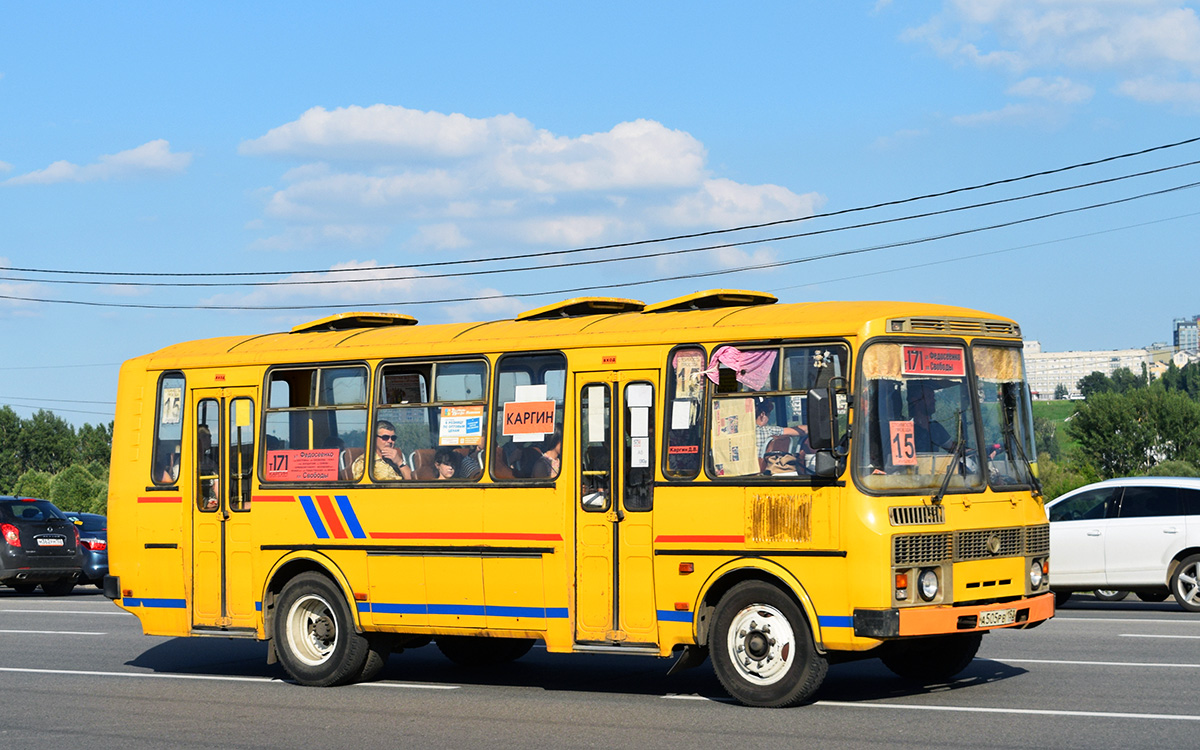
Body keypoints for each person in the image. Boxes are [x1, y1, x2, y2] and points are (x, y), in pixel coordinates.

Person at [907, 382, 954, 453]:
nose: (934, 400)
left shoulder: (935, 427)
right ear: (915, 401)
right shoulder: (907, 429)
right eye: (929, 397)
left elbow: (953, 448)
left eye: (933, 397)